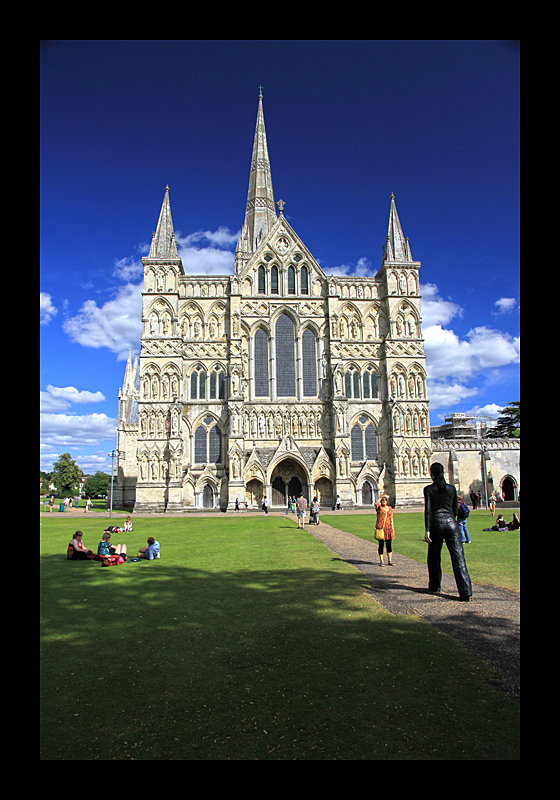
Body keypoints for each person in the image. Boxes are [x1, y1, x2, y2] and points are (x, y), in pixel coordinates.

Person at [424, 463, 472, 601]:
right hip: (452, 524)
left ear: (432, 473)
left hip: (436, 524)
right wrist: (453, 521)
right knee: (458, 558)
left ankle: (434, 586)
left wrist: (427, 529)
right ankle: (465, 591)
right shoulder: (451, 489)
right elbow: (455, 509)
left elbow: (428, 510)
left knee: (434, 557)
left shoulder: (429, 489)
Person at [374, 495, 395, 566]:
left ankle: (390, 560)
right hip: (381, 528)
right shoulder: (379, 507)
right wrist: (381, 497)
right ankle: (381, 561)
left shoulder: (390, 508)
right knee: (381, 544)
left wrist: (393, 529)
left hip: (388, 528)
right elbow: (376, 504)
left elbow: (391, 519)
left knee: (389, 544)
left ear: (387, 501)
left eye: (385, 500)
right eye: (383, 500)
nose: (384, 501)